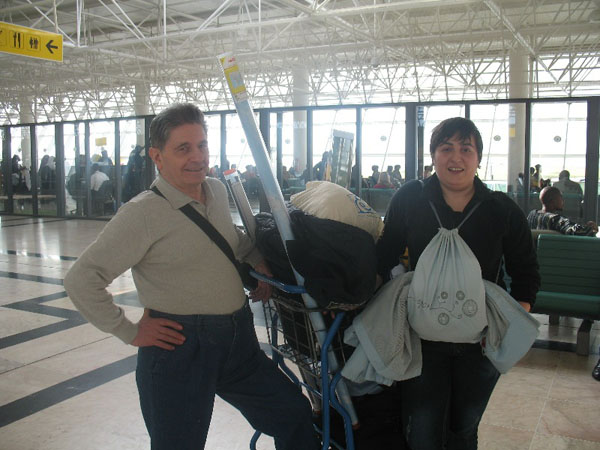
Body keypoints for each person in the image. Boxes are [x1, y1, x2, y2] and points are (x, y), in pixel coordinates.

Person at [63, 103, 317, 450]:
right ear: (157, 156)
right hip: (179, 351)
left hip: (237, 343)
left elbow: (233, 240)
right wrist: (129, 330)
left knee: (293, 413)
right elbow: (81, 278)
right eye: (183, 149)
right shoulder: (142, 213)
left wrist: (258, 260)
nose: (197, 157)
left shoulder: (214, 189)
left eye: (202, 145)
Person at [376, 117, 540, 450]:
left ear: (478, 158)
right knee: (422, 431)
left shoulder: (500, 210)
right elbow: (384, 257)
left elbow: (526, 275)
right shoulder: (411, 199)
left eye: (466, 149)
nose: (456, 158)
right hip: (422, 339)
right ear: (433, 155)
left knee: (463, 430)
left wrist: (504, 331)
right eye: (446, 148)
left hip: (479, 343)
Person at [527, 186, 597, 236]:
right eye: (560, 197)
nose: (563, 200)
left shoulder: (532, 214)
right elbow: (576, 231)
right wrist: (590, 228)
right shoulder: (555, 219)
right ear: (553, 201)